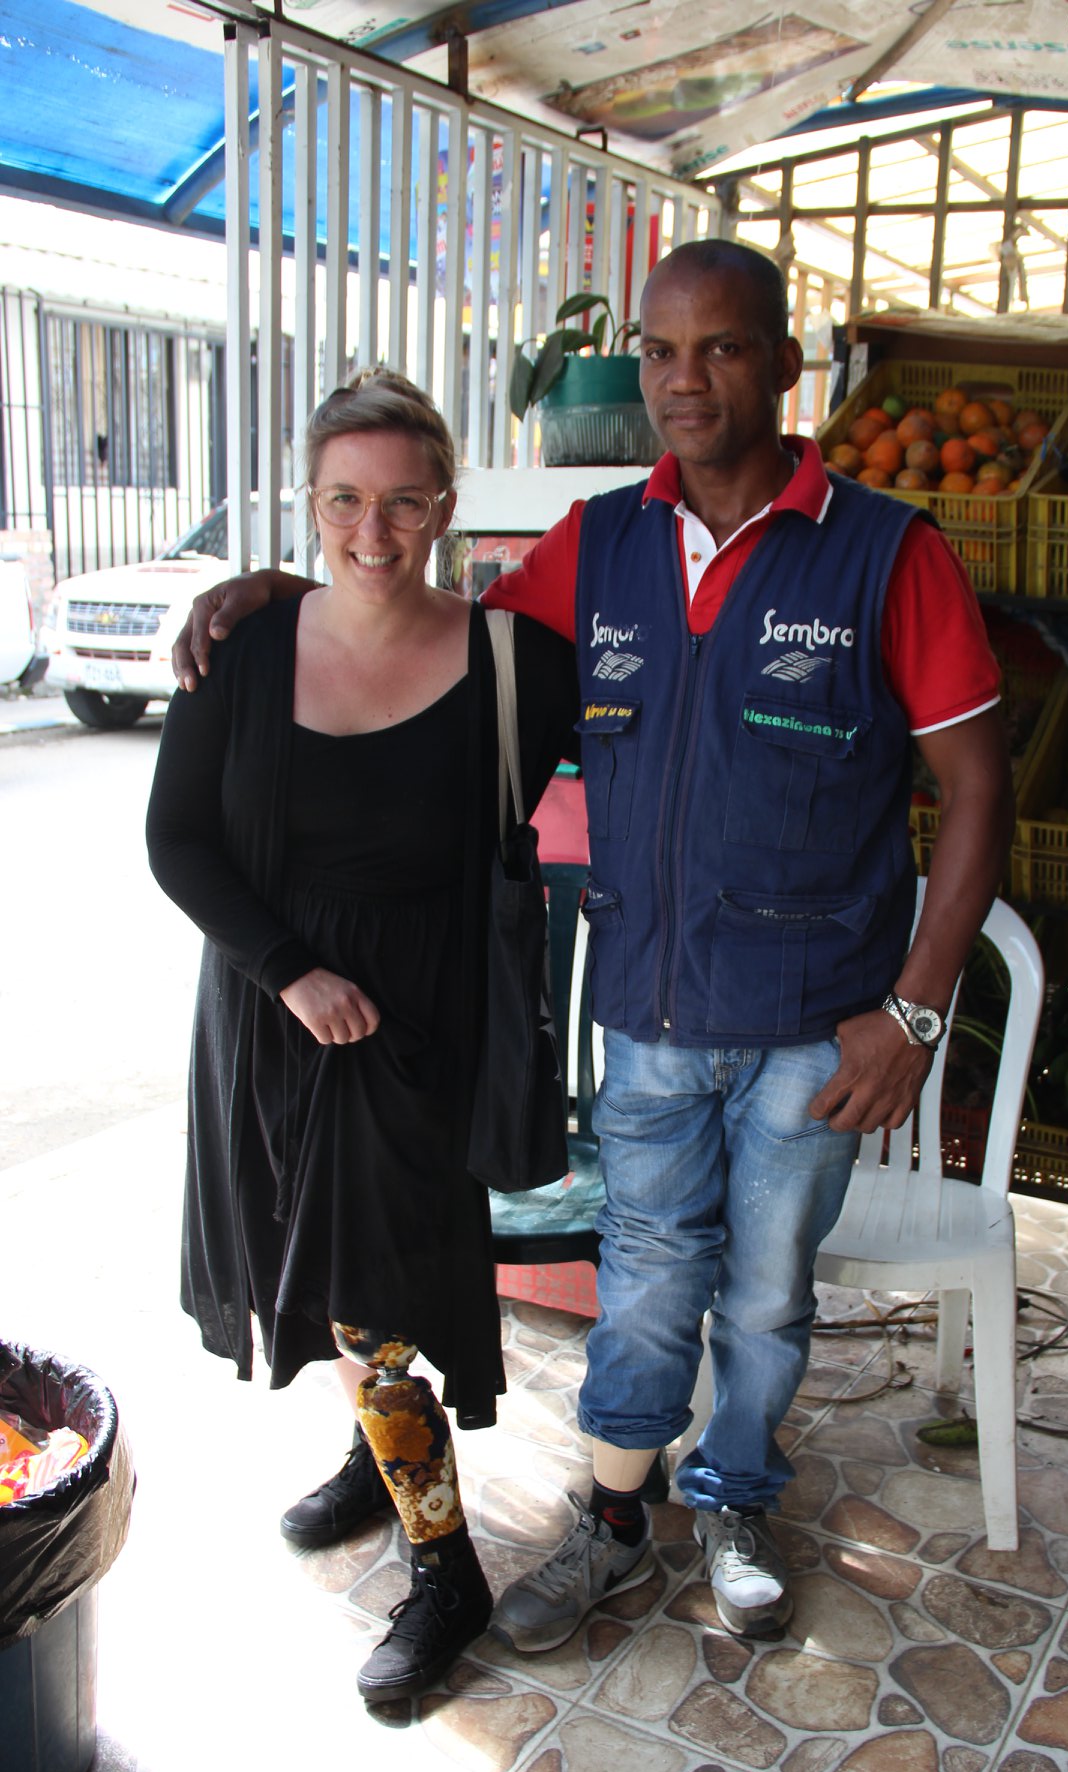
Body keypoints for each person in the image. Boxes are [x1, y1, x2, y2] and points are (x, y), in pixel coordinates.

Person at [172, 239, 1014, 1655]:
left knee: (764, 1288)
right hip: (651, 1007)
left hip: (819, 1015)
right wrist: (284, 589)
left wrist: (917, 1013)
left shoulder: (887, 551)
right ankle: (620, 1515)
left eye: (725, 348)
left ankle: (737, 1491)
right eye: (662, 351)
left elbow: (981, 790)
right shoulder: (606, 543)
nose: (686, 381)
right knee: (646, 1277)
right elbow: (423, 627)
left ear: (785, 365)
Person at [146, 367, 577, 1703]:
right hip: (275, 1019)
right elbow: (178, 840)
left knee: (369, 1296)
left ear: (445, 505)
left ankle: (446, 1572)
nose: (372, 532)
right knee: (340, 1287)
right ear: (310, 504)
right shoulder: (244, 649)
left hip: (416, 1028)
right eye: (344, 501)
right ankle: (370, 1459)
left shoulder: (518, 664)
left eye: (402, 502)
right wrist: (290, 972)